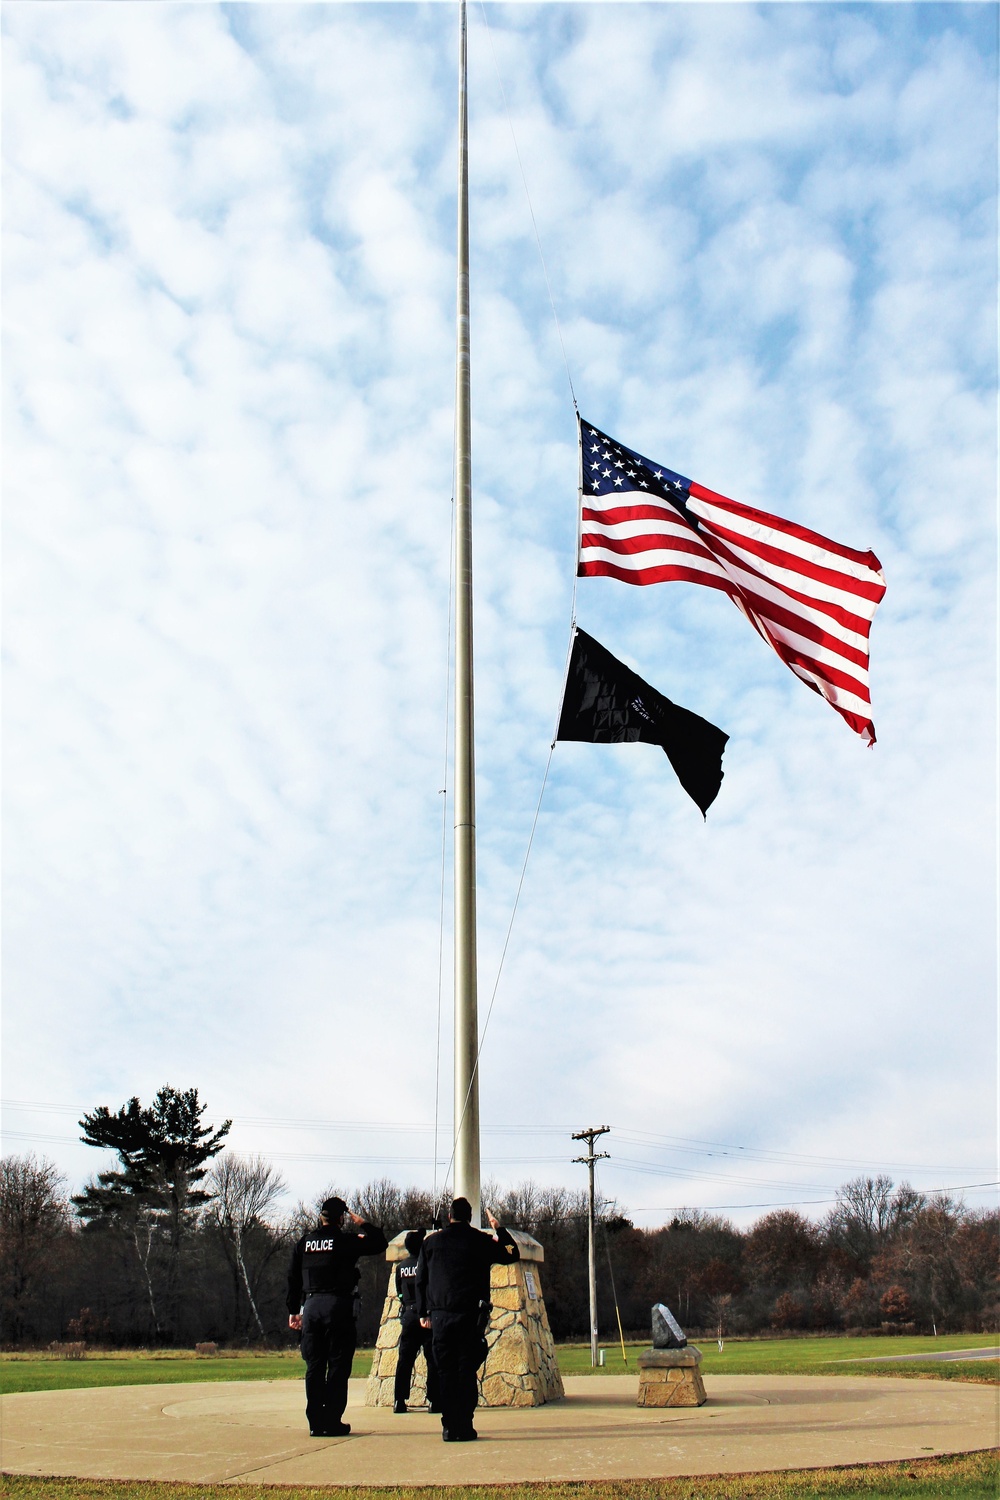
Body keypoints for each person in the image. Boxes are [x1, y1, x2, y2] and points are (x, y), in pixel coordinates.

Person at [416, 1197, 520, 1442]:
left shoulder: (431, 1243)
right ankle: (464, 1424)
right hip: (469, 1317)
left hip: (440, 1317)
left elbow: (421, 1280)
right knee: (465, 1371)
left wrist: (423, 1313)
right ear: (470, 1216)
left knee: (445, 1372)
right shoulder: (481, 1241)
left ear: (449, 1216)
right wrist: (498, 1228)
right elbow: (512, 1253)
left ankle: (449, 1426)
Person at [286, 1196, 387, 1437]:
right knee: (338, 1366)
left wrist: (293, 1310)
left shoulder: (304, 1242)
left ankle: (315, 1421)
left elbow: (293, 1278)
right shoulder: (345, 1241)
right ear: (342, 1218)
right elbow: (379, 1243)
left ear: (321, 1216)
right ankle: (331, 1420)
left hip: (310, 1308)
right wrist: (362, 1222)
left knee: (315, 1365)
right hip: (338, 1307)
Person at [392, 1227, 441, 1414]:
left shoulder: (401, 1267)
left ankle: (399, 1400)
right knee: (433, 1360)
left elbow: (400, 1292)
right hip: (427, 1316)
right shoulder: (427, 1265)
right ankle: (434, 1401)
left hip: (409, 1315)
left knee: (405, 1360)